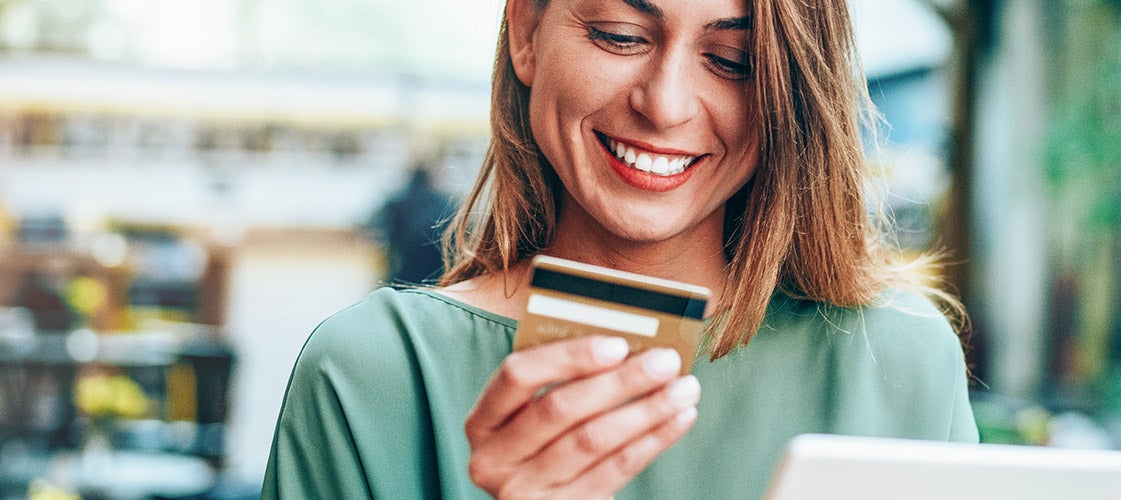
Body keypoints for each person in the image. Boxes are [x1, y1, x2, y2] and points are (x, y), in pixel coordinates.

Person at [262, 0, 978, 495]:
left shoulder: (900, 363)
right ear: (525, 33)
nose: (664, 104)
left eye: (732, 59)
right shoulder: (375, 373)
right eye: (619, 35)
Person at [370, 164, 455, 285]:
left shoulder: (397, 201)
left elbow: (384, 234)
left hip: (404, 266)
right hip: (435, 267)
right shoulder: (443, 203)